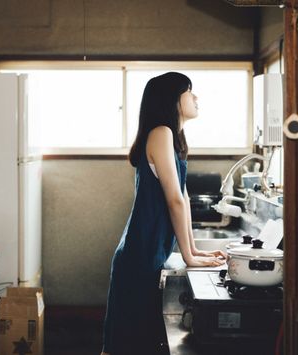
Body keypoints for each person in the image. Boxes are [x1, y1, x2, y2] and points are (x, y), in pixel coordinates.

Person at [101, 72, 226, 355]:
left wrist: (193, 251)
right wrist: (190, 256)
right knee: (125, 343)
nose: (196, 97)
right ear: (172, 99)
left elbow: (183, 197)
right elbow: (175, 201)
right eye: (189, 91)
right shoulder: (161, 132)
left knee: (135, 340)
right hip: (140, 253)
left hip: (148, 250)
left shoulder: (174, 137)